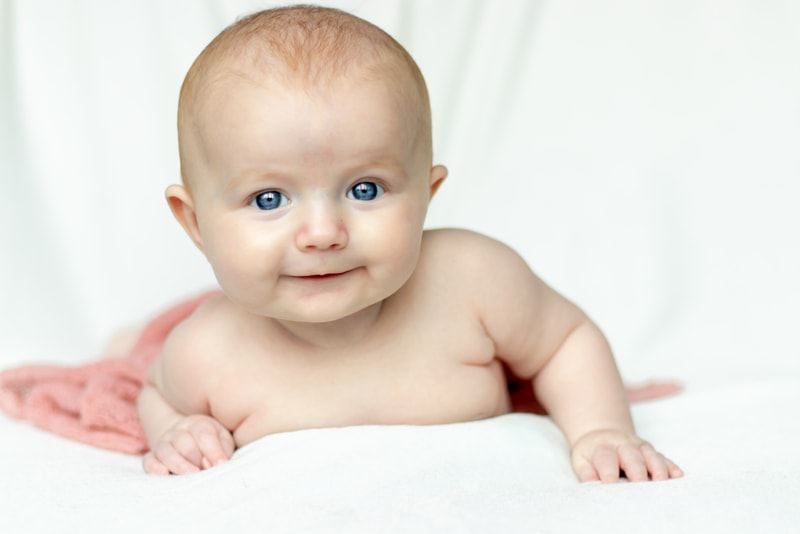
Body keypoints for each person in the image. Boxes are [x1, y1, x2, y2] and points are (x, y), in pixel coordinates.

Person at [137, 4, 683, 483]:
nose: (324, 233)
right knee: (136, 347)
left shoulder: (473, 282)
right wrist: (178, 428)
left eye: (365, 189)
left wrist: (601, 429)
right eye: (268, 199)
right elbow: (150, 395)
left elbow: (565, 340)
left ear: (427, 192)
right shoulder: (205, 351)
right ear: (195, 224)